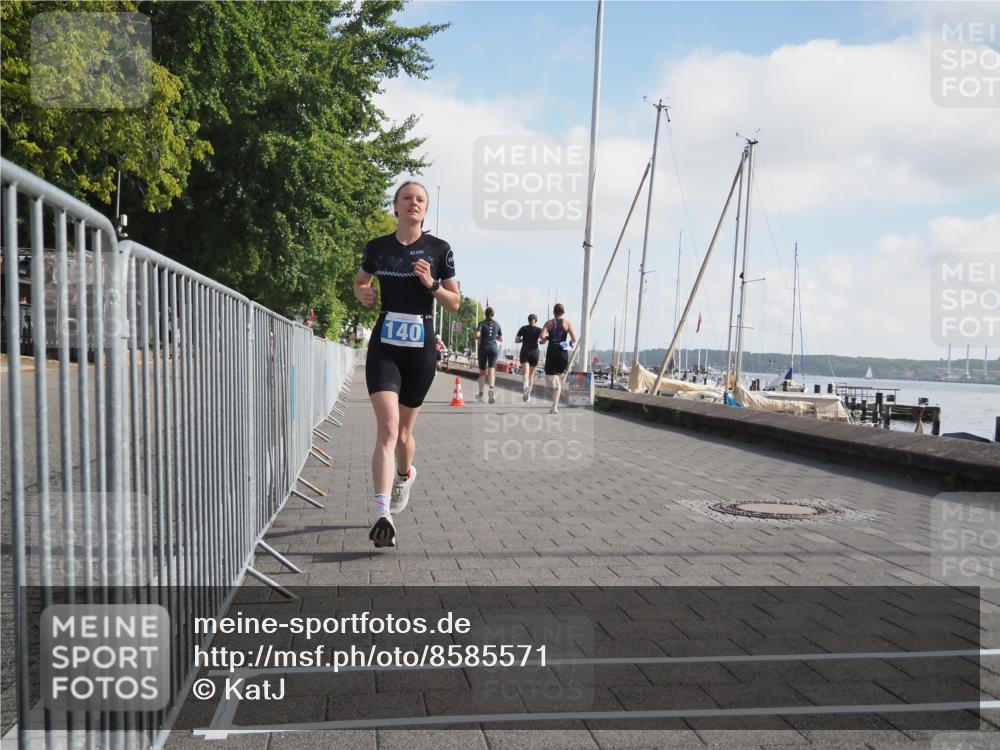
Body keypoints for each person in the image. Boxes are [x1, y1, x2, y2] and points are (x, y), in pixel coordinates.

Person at [353, 181, 461, 548]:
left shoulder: (439, 250)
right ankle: (382, 513)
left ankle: (405, 474)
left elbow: (455, 303)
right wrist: (362, 292)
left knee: (403, 436)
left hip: (421, 347)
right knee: (387, 427)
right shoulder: (378, 248)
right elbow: (361, 280)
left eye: (420, 200)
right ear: (396, 206)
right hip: (384, 343)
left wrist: (431, 284)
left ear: (425, 210)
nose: (413, 203)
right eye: (406, 198)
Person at [539, 303, 577, 414]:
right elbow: (574, 339)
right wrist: (568, 343)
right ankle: (554, 406)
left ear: (553, 312)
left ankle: (555, 406)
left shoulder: (549, 323)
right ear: (563, 312)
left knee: (549, 379)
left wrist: (546, 338)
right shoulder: (567, 323)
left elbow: (541, 337)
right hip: (562, 352)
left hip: (552, 352)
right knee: (558, 380)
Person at [474, 307, 502, 403]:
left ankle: (481, 394)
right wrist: (494, 337)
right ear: (493, 314)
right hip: (493, 348)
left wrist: (477, 335)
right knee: (492, 370)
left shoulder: (481, 323)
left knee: (482, 371)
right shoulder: (497, 324)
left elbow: (477, 335)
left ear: (485, 314)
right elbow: (501, 338)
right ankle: (491, 388)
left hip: (483, 347)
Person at [515, 313, 543, 402]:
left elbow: (516, 340)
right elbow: (542, 340)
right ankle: (529, 394)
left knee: (525, 373)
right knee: (531, 375)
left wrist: (524, 339)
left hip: (525, 352)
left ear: (528, 320)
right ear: (536, 320)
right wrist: (543, 341)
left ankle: (525, 388)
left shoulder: (523, 328)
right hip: (534, 352)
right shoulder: (539, 330)